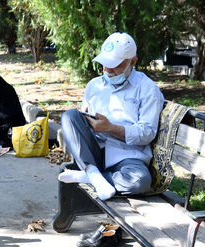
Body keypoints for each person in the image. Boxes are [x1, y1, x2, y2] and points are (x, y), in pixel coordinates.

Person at [58, 32, 164, 201]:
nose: (107, 70)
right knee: (70, 116)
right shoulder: (94, 85)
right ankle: (94, 173)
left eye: (115, 65)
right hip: (94, 153)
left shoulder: (147, 89)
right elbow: (80, 123)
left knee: (140, 181)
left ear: (133, 61)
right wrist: (87, 123)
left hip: (127, 157)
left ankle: (92, 178)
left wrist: (110, 128)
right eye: (104, 64)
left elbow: (147, 133)